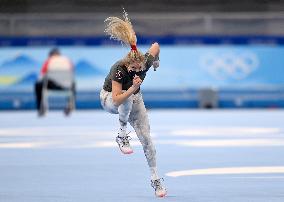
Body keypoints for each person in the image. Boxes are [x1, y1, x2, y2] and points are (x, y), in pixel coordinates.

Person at [100, 10, 166, 197]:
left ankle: (155, 179)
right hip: (110, 100)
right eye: (133, 69)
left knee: (148, 141)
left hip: (134, 100)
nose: (137, 72)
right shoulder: (118, 69)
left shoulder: (144, 62)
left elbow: (156, 46)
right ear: (127, 65)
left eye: (140, 69)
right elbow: (117, 98)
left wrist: (156, 61)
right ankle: (122, 134)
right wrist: (132, 88)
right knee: (127, 98)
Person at [34, 48, 75, 116]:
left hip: (51, 85)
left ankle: (40, 108)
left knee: (38, 85)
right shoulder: (67, 60)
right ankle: (70, 105)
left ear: (51, 55)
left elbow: (41, 76)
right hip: (66, 86)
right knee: (73, 84)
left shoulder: (49, 61)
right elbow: (72, 73)